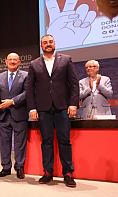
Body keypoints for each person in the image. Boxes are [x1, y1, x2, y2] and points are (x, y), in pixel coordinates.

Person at [26, 34, 79, 187]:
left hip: (62, 107)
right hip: (43, 108)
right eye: (45, 42)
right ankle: (47, 172)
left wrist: (73, 103)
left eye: (50, 42)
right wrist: (32, 108)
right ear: (41, 45)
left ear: (54, 43)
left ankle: (68, 173)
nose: (48, 44)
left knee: (64, 141)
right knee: (46, 142)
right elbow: (30, 89)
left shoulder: (66, 59)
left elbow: (74, 84)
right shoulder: (34, 64)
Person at [0, 53, 28, 179]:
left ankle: (19, 167)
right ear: (6, 61)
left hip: (19, 113)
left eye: (15, 59)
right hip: (3, 115)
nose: (12, 61)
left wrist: (12, 101)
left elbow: (27, 92)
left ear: (19, 62)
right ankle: (6, 167)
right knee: (4, 143)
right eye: (10, 59)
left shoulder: (26, 75)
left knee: (19, 143)